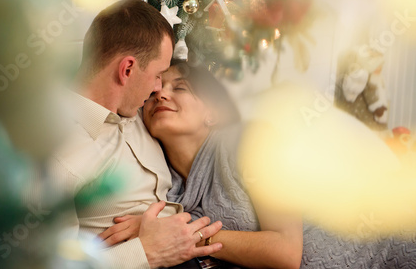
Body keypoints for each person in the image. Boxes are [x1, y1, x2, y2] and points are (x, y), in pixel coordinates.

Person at [103, 61, 416, 268]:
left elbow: (285, 251)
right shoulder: (167, 184)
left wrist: (185, 235)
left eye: (179, 87)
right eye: (154, 91)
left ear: (211, 112)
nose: (161, 95)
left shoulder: (251, 141)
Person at [50, 0, 223, 269]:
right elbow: (52, 265)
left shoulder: (141, 112)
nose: (158, 88)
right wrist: (145, 252)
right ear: (127, 69)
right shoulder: (57, 148)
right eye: (158, 74)